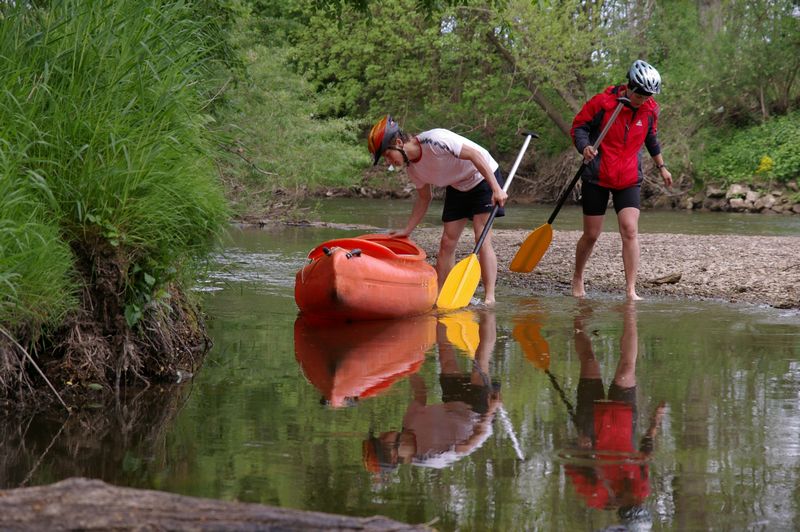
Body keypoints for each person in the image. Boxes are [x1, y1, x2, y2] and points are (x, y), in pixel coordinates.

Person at [368, 116, 507, 306]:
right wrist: (407, 230)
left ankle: (490, 297)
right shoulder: (413, 170)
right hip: (457, 186)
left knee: (481, 235)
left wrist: (496, 189)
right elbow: (425, 198)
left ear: (399, 143)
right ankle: (441, 296)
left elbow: (475, 155)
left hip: (482, 178)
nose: (388, 162)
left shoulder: (436, 140)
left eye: (387, 155)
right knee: (447, 242)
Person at [570, 60, 674, 300]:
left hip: (628, 177)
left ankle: (630, 290)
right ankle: (577, 277)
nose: (643, 98)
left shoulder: (650, 110)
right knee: (592, 234)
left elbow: (651, 139)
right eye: (640, 93)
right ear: (630, 85)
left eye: (648, 94)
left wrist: (662, 167)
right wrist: (584, 147)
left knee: (629, 230)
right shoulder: (603, 103)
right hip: (597, 174)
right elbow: (579, 127)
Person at [564, 301, 666, 523]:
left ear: (624, 506)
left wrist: (579, 448)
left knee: (589, 360)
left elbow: (568, 461)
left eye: (635, 502)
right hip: (623, 423)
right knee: (627, 368)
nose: (639, 497)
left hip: (591, 425)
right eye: (639, 501)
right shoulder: (642, 490)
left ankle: (578, 317)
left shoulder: (596, 496)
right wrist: (655, 423)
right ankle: (630, 317)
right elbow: (644, 456)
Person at [362, 309, 501, 472]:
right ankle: (489, 313)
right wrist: (491, 411)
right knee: (481, 359)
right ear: (393, 455)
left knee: (445, 355)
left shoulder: (408, 424)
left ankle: (441, 312)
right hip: (477, 417)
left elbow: (420, 393)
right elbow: (469, 445)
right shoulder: (430, 457)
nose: (384, 432)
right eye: (383, 438)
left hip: (453, 405)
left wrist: (406, 367)